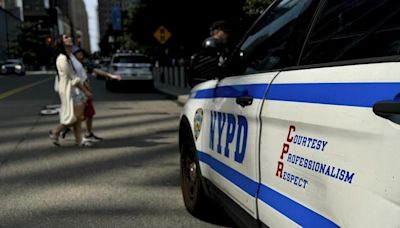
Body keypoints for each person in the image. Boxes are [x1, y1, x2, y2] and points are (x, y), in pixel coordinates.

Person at [61, 45, 121, 142]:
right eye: (77, 52)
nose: (80, 54)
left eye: (80, 52)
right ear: (73, 55)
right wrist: (85, 91)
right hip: (80, 93)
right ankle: (62, 128)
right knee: (83, 115)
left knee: (87, 115)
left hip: (84, 92)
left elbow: (95, 70)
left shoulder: (83, 64)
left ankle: (74, 129)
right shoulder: (72, 66)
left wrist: (110, 75)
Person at [48, 34, 93, 147]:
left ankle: (79, 140)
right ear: (61, 42)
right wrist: (86, 91)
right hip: (71, 90)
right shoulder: (62, 58)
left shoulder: (70, 56)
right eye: (66, 37)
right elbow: (73, 78)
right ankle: (55, 131)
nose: (70, 38)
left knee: (77, 117)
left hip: (76, 90)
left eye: (69, 37)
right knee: (77, 116)